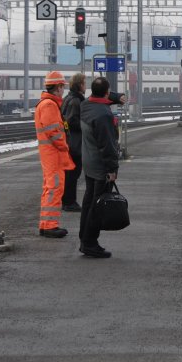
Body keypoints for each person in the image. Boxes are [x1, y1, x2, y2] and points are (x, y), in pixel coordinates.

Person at [79, 76, 122, 259]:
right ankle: (90, 243)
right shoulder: (103, 115)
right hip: (100, 166)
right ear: (106, 92)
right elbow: (108, 146)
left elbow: (100, 96)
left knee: (88, 203)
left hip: (88, 162)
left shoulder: (86, 105)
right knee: (97, 206)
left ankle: (84, 239)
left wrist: (114, 96)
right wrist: (112, 170)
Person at [35, 70, 75, 238]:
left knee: (49, 188)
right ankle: (50, 225)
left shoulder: (46, 104)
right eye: (62, 87)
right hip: (54, 155)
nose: (63, 90)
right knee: (54, 189)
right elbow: (54, 132)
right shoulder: (50, 105)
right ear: (58, 87)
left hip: (50, 155)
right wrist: (64, 146)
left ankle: (46, 224)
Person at [60, 73, 87, 212]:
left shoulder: (68, 98)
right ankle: (69, 202)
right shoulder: (75, 101)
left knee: (70, 173)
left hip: (70, 141)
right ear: (80, 85)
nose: (86, 85)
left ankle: (68, 200)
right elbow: (70, 121)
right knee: (73, 173)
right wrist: (85, 125)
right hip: (74, 143)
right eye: (84, 83)